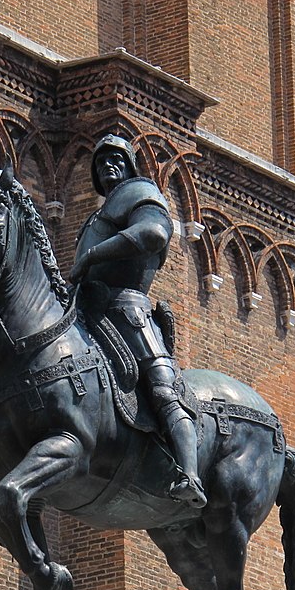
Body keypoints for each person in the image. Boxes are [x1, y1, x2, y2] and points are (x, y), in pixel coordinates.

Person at [69, 134, 206, 508]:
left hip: (128, 308)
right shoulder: (97, 217)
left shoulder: (141, 192)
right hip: (87, 307)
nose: (107, 166)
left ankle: (189, 475)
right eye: (100, 163)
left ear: (128, 164)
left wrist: (93, 255)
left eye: (115, 159)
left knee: (162, 389)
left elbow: (153, 232)